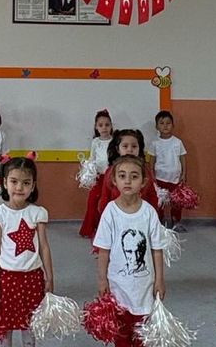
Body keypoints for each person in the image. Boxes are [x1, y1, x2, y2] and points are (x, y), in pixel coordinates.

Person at [94, 155, 167, 347]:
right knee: (121, 335)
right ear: (114, 180)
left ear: (143, 182)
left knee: (142, 336)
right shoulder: (110, 212)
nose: (127, 181)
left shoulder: (149, 212)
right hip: (118, 287)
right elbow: (103, 251)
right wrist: (102, 280)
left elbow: (157, 250)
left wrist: (159, 280)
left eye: (134, 177)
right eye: (122, 176)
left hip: (145, 288)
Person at [0, 156, 53, 347]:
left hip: (33, 278)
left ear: (33, 186)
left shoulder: (38, 213)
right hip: (7, 279)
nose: (19, 187)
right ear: (4, 183)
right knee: (5, 325)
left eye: (26, 183)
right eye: (14, 181)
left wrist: (49, 277)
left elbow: (44, 246)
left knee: (29, 325)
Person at [92, 130, 160, 243]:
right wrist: (105, 222)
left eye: (134, 146)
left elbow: (152, 196)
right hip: (117, 222)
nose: (130, 149)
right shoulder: (110, 171)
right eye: (125, 146)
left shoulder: (145, 171)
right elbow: (104, 198)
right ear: (118, 149)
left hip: (140, 222)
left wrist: (154, 218)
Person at [147, 110, 188, 229]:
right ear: (157, 127)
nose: (165, 126)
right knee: (160, 201)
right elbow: (152, 160)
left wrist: (184, 173)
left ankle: (176, 221)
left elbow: (182, 158)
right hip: (160, 178)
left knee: (177, 201)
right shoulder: (155, 143)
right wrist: (152, 175)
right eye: (162, 123)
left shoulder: (178, 142)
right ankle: (159, 222)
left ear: (173, 125)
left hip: (175, 178)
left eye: (168, 123)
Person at [79, 110, 116, 238]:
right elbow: (92, 158)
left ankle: (108, 230)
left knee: (108, 202)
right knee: (92, 201)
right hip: (98, 177)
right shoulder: (95, 142)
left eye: (107, 125)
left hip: (111, 178)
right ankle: (90, 229)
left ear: (111, 126)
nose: (104, 128)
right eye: (101, 125)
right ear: (96, 127)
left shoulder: (114, 141)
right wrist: (89, 171)